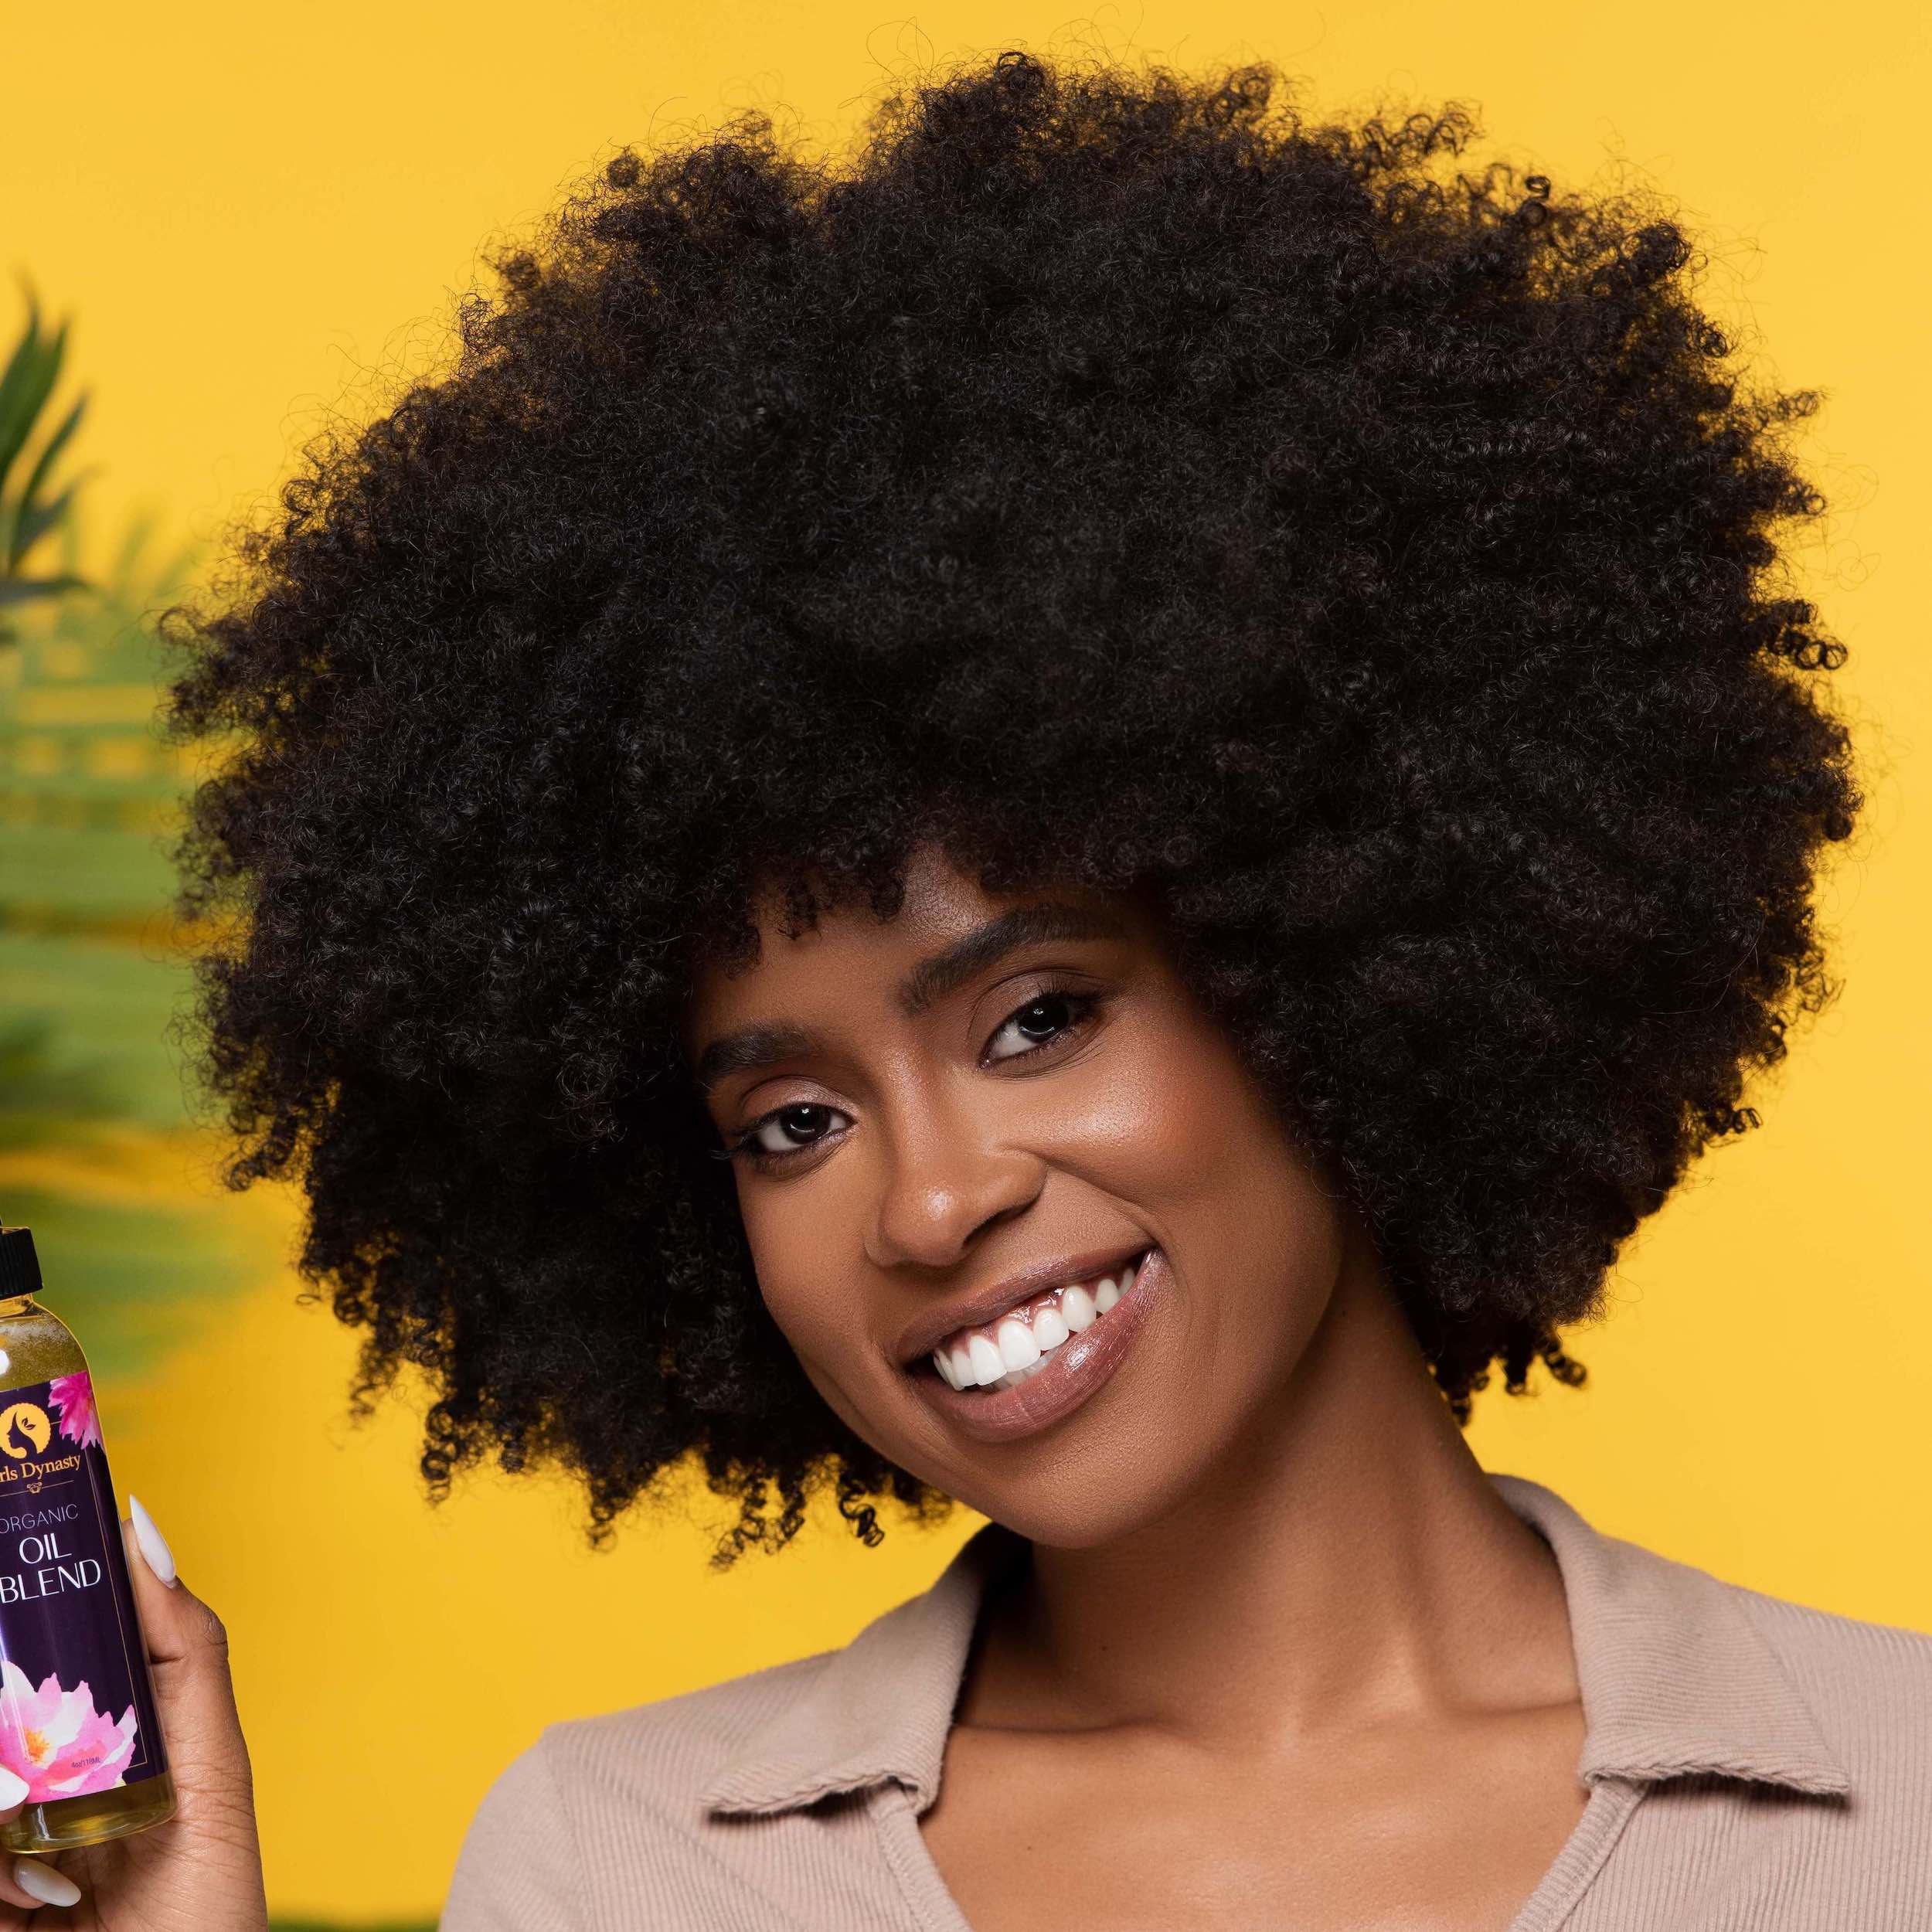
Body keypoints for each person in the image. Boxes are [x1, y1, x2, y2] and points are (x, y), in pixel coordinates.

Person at [134, 43, 1928, 1932]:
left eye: (1036, 1017)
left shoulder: (1890, 1802)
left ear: (1321, 972)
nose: (926, 1201)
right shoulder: (620, 1866)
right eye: (793, 1122)